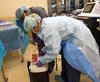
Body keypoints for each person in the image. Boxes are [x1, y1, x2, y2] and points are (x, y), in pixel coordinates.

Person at [24, 14, 100, 82]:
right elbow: (50, 42)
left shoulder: (48, 29)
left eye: (33, 28)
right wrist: (44, 50)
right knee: (65, 54)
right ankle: (64, 77)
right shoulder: (43, 23)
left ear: (37, 23)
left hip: (78, 36)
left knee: (72, 60)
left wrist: (43, 61)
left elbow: (53, 51)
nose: (33, 31)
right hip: (72, 34)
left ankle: (71, 80)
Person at [15, 6, 55, 73]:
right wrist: (34, 38)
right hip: (41, 33)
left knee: (48, 49)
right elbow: (33, 27)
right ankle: (44, 65)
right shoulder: (30, 17)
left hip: (48, 33)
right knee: (42, 50)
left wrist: (42, 39)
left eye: (22, 17)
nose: (24, 19)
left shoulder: (37, 11)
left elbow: (45, 24)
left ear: (24, 12)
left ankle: (50, 67)